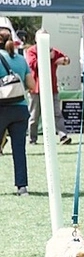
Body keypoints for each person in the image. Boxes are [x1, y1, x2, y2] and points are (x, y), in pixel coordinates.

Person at [0, 29, 34, 196]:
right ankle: (22, 187)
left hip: (1, 108)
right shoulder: (21, 59)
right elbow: (32, 84)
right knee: (19, 149)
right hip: (20, 108)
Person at [25, 31, 70, 145]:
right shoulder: (31, 51)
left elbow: (67, 59)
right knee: (34, 115)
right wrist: (48, 57)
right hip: (36, 89)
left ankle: (63, 135)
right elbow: (34, 65)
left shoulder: (53, 51)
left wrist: (63, 60)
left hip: (52, 88)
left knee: (56, 113)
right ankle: (32, 138)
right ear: (36, 39)